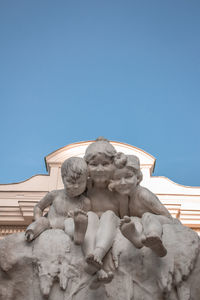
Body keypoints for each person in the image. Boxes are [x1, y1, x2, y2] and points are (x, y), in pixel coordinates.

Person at [82, 137, 129, 284]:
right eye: (94, 164)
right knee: (89, 215)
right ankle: (91, 257)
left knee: (109, 215)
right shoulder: (85, 188)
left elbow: (125, 217)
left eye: (105, 164)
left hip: (111, 224)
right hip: (90, 228)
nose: (100, 169)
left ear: (114, 165)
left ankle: (98, 253)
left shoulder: (119, 191)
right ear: (86, 167)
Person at [109, 152, 173, 257]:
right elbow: (125, 216)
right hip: (142, 226)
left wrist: (151, 223)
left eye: (128, 176)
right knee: (130, 222)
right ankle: (138, 239)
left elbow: (167, 216)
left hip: (158, 221)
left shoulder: (143, 194)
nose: (123, 182)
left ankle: (155, 239)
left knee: (147, 216)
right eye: (117, 179)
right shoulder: (124, 198)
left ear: (138, 178)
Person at [25, 157, 90, 245]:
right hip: (49, 226)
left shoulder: (85, 202)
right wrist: (38, 219)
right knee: (43, 221)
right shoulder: (55, 194)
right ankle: (31, 232)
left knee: (70, 222)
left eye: (81, 182)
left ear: (86, 180)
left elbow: (86, 219)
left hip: (68, 229)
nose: (76, 186)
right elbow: (38, 207)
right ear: (63, 178)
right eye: (71, 182)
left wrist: (77, 218)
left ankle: (78, 236)